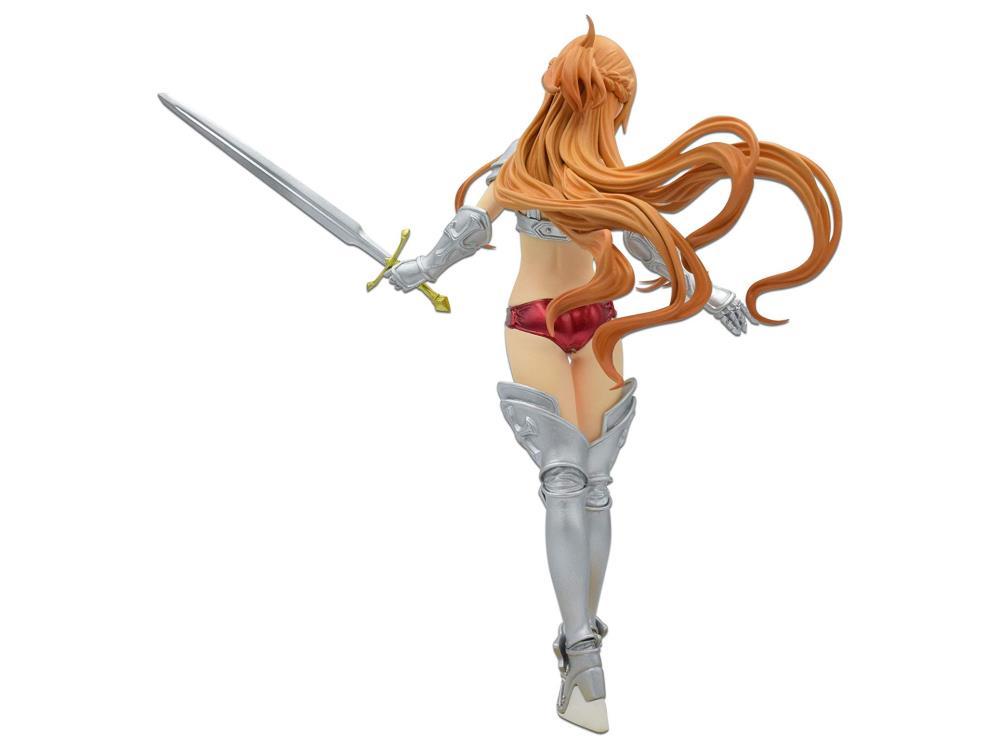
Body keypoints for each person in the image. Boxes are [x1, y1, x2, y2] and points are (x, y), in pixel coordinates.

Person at [386, 17, 841, 733]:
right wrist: (422, 267)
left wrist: (422, 269)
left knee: (584, 483)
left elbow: (630, 244)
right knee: (576, 482)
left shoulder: (579, 167)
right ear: (611, 99)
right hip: (569, 321)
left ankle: (582, 645)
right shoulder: (544, 162)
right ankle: (583, 650)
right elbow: (472, 228)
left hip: (569, 320)